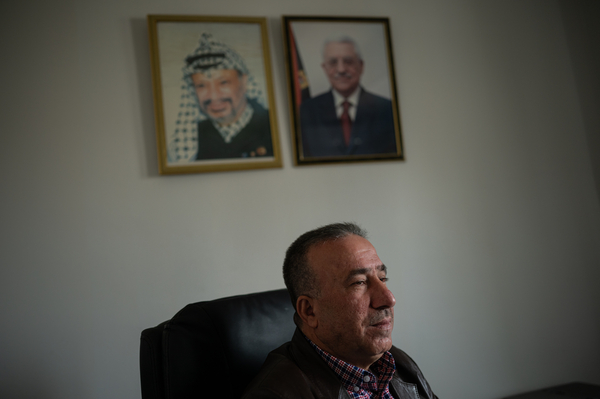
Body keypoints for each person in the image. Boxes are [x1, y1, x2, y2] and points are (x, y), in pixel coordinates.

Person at [243, 223, 437, 399]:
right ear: (310, 311)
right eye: (359, 282)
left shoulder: (395, 363)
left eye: (382, 278)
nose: (389, 299)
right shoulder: (275, 394)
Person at [168, 33, 273, 162]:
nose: (213, 96)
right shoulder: (189, 141)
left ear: (244, 82)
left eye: (223, 82)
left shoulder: (273, 126)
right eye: (201, 85)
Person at [299, 36, 398, 158]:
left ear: (361, 66)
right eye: (333, 62)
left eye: (348, 61)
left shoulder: (387, 109)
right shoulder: (306, 111)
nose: (341, 69)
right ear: (324, 68)